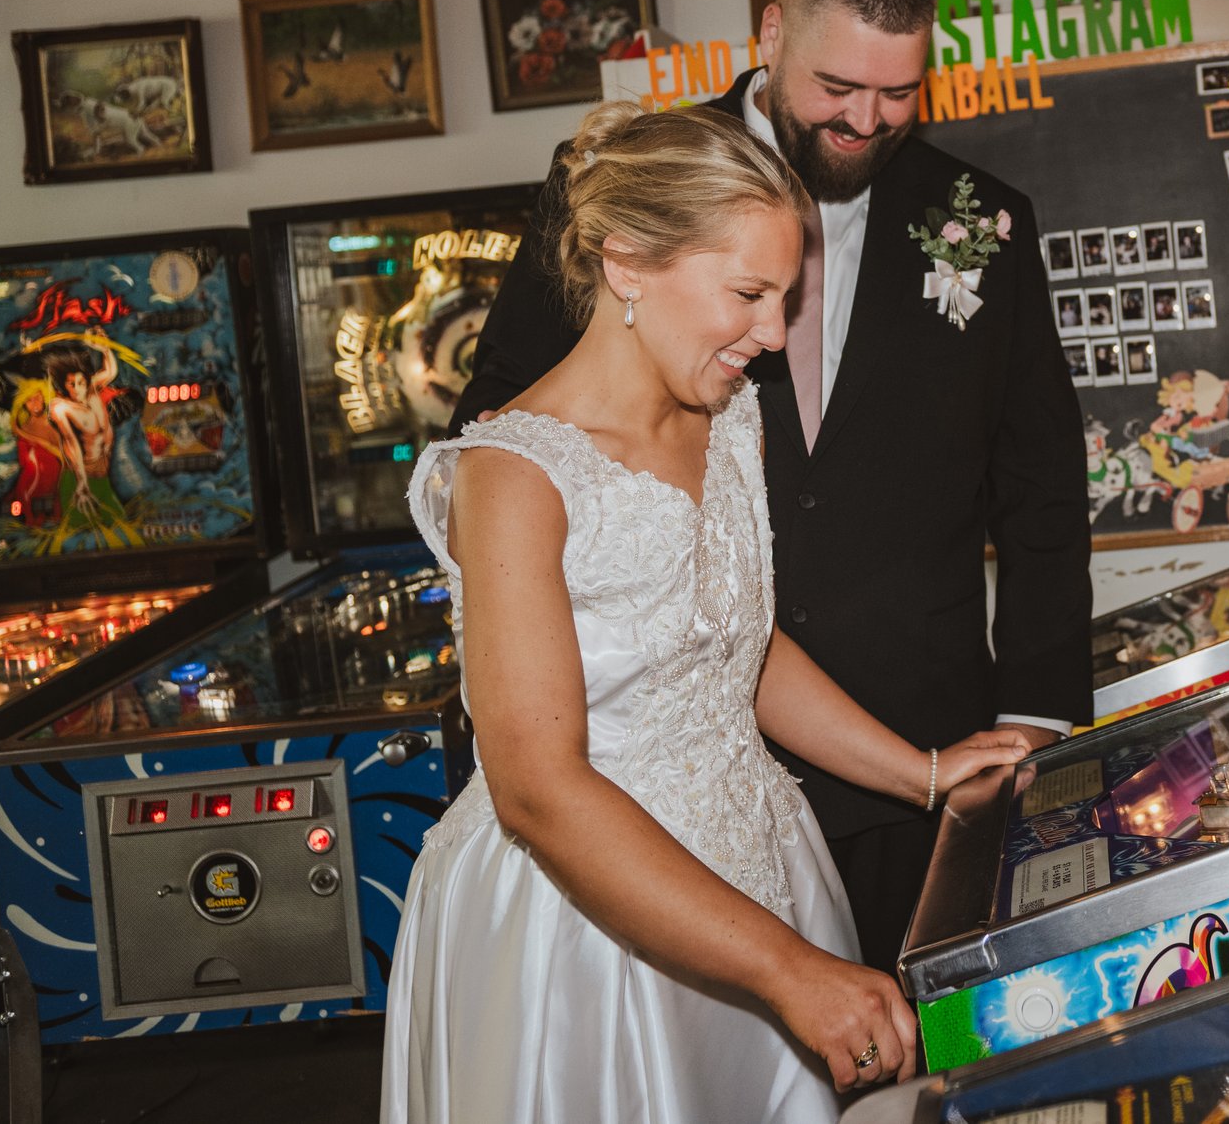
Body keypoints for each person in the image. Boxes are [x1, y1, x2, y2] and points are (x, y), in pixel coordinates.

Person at [454, 0, 1092, 973]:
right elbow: (503, 414)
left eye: (897, 93)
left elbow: (1041, 489)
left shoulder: (981, 218)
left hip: (909, 724)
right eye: (838, 83)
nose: (865, 119)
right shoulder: (628, 182)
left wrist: (1034, 715)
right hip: (653, 744)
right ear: (770, 31)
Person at [381, 103, 1033, 1120]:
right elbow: (539, 789)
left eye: (785, 297)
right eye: (748, 292)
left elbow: (740, 644)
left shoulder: (731, 423)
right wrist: (789, 971)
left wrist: (927, 771)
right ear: (629, 262)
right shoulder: (509, 475)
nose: (772, 335)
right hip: (581, 921)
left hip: (758, 860)